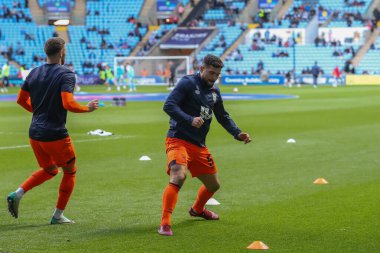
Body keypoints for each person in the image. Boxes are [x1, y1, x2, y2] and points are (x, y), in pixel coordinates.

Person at [6, 37, 99, 224]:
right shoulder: (66, 74)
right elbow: (68, 103)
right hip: (54, 134)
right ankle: (57, 216)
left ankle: (17, 194)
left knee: (50, 170)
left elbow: (20, 100)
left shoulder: (33, 73)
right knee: (70, 171)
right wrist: (87, 108)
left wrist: (39, 111)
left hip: (35, 133)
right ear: (62, 52)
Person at [158, 54, 252, 236]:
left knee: (214, 185)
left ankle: (197, 210)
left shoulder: (215, 93)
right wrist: (189, 119)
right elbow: (168, 105)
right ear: (201, 69)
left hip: (198, 145)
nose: (213, 77)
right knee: (179, 175)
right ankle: (165, 223)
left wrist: (237, 133)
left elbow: (223, 116)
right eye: (211, 73)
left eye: (217, 74)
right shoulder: (187, 83)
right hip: (178, 139)